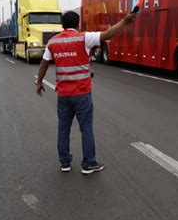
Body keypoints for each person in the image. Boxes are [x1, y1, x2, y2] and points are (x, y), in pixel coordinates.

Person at [35, 10, 137, 174]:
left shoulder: (52, 42)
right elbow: (107, 34)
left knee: (63, 128)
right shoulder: (84, 38)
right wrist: (125, 21)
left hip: (63, 95)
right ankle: (88, 164)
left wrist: (39, 83)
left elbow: (43, 64)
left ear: (62, 25)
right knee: (86, 128)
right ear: (78, 24)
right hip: (82, 93)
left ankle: (65, 163)